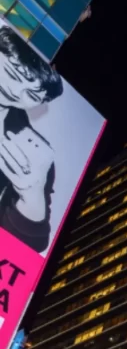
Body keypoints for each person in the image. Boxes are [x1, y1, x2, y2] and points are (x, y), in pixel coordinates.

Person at [0, 26, 62, 254]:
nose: (17, 92)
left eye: (33, 95)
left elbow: (27, 249)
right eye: (15, 75)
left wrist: (32, 193)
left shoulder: (34, 155)